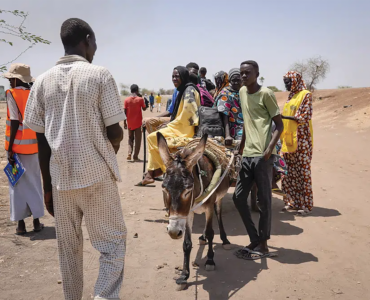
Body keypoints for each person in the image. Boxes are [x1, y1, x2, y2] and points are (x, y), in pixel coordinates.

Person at [24, 18, 127, 300]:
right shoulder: (99, 75)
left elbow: (41, 140)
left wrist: (47, 188)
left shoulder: (42, 82)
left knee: (68, 250)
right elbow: (115, 131)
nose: (95, 49)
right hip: (96, 177)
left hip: (61, 181)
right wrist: (110, 151)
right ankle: (103, 297)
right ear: (87, 39)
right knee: (112, 245)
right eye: (94, 43)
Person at [233, 60, 284, 259]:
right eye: (241, 73)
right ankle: (254, 237)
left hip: (263, 157)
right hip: (247, 154)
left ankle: (263, 245)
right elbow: (248, 120)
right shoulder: (242, 93)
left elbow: (279, 125)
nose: (243, 76)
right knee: (238, 197)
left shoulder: (266, 94)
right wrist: (241, 145)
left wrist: (269, 149)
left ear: (257, 74)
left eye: (247, 73)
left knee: (264, 201)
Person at [140, 66, 200, 185]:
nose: (174, 78)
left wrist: (169, 124)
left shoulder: (188, 91)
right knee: (154, 136)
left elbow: (188, 118)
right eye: (173, 76)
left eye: (177, 76)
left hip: (185, 130)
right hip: (179, 127)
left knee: (153, 137)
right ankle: (152, 173)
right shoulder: (184, 89)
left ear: (183, 76)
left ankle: (161, 170)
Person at [2, 63, 44, 235]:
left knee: (17, 184)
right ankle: (36, 222)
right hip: (34, 147)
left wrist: (10, 148)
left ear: (14, 79)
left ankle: (20, 225)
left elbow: (13, 121)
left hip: (17, 149)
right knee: (34, 183)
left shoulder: (11, 94)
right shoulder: (33, 94)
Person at [281, 71, 314, 215]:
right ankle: (292, 202)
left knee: (302, 173)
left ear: (296, 81)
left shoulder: (305, 95)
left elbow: (303, 116)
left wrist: (282, 117)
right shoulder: (291, 96)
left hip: (302, 140)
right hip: (289, 139)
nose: (286, 84)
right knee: (289, 173)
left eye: (288, 82)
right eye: (285, 82)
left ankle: (305, 205)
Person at [215, 68, 243, 146]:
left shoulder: (243, 91)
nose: (236, 82)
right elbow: (225, 115)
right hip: (233, 127)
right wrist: (228, 135)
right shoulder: (225, 93)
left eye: (238, 80)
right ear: (230, 81)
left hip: (246, 125)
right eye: (233, 80)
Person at [124, 84, 146, 161]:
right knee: (138, 139)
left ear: (130, 90)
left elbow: (125, 112)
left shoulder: (126, 100)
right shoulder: (140, 99)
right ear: (137, 90)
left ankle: (129, 152)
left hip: (130, 122)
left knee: (130, 138)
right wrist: (142, 98)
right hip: (138, 123)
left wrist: (124, 123)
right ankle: (135, 156)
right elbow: (144, 108)